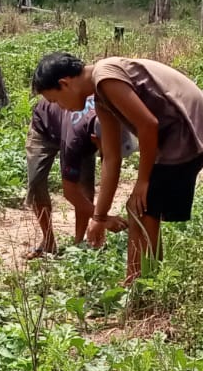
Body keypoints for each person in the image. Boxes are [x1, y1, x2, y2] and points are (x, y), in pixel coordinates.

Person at [30, 52, 203, 284]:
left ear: (65, 84)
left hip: (187, 132)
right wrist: (99, 217)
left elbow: (148, 124)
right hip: (179, 135)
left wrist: (143, 181)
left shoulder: (105, 77)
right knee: (143, 210)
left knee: (142, 209)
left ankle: (141, 284)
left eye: (56, 101)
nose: (62, 108)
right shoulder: (101, 98)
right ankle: (142, 281)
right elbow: (111, 158)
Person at [25, 95, 127, 257]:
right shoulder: (75, 139)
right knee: (36, 184)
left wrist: (99, 218)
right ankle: (48, 241)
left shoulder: (110, 117)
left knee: (86, 187)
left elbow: (109, 170)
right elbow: (70, 191)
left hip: (79, 131)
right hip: (44, 127)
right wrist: (103, 219)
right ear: (95, 139)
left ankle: (79, 243)